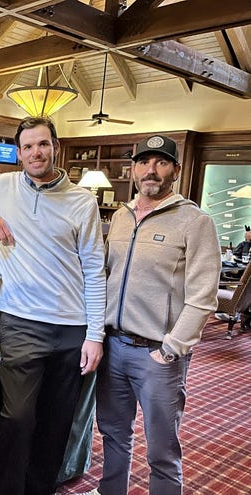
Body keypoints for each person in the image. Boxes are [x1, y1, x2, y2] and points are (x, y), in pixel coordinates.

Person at [0, 116, 106, 495]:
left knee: (56, 422)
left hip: (72, 329)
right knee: (18, 418)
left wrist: (95, 334)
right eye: (29, 146)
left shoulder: (82, 201)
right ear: (18, 154)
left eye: (43, 144)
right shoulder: (1, 187)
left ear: (56, 147)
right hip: (22, 324)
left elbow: (94, 270)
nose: (37, 152)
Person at [83, 135, 221, 495]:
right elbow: (106, 277)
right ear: (133, 170)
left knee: (162, 448)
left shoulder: (195, 221)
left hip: (158, 354)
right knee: (112, 433)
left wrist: (171, 348)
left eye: (161, 163)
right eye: (144, 162)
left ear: (175, 170)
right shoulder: (122, 217)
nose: (151, 170)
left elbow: (204, 297)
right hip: (113, 347)